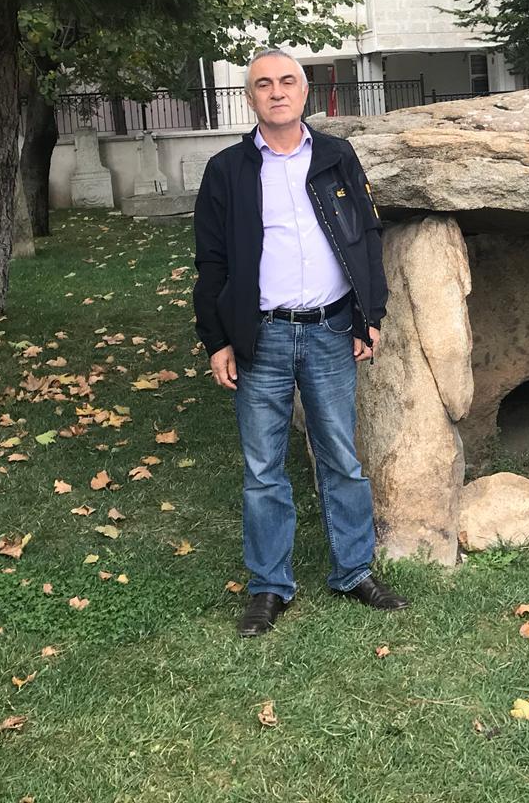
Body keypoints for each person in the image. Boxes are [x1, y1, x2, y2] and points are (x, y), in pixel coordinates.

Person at [193, 48, 406, 637]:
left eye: (287, 81)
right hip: (258, 335)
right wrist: (217, 340)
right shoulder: (227, 170)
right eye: (264, 84)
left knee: (341, 457)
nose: (277, 92)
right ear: (251, 97)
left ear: (305, 91)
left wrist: (370, 315)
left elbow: (366, 237)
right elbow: (210, 262)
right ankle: (269, 585)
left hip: (331, 330)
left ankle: (353, 571)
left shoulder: (337, 156)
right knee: (263, 468)